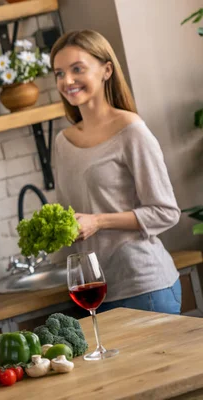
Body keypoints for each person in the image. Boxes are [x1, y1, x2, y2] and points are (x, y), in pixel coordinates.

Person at [50, 30, 182, 314]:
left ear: (106, 70)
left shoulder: (131, 131)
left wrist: (98, 221)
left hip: (145, 286)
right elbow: (67, 213)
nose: (67, 81)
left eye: (77, 69)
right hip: (94, 290)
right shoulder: (63, 142)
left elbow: (166, 211)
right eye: (59, 73)